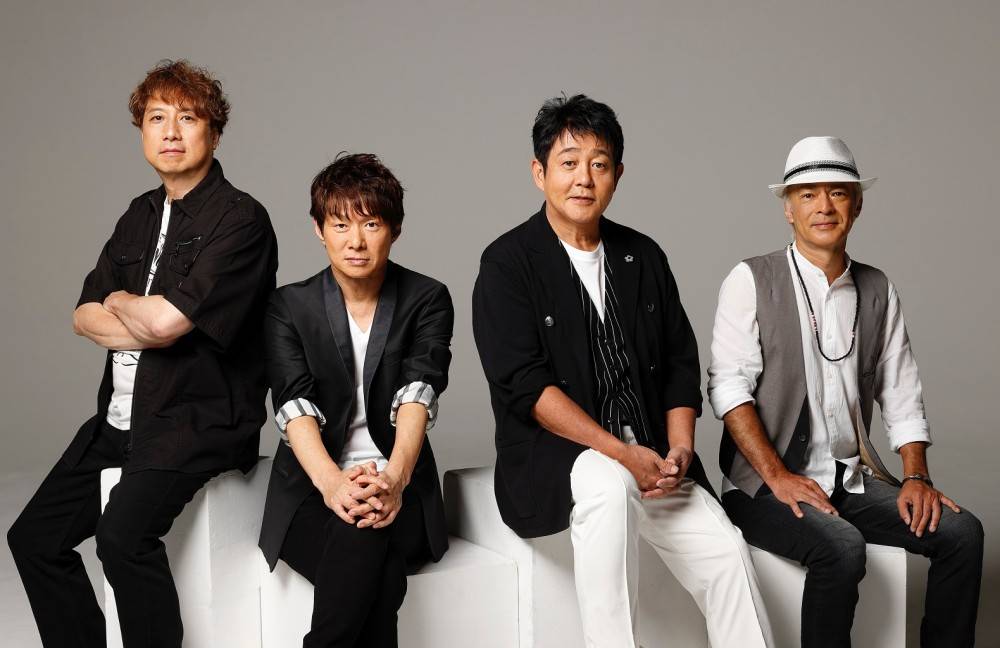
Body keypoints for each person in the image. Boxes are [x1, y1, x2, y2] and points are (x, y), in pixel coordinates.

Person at [472, 94, 773, 648]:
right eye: (568, 163)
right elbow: (526, 388)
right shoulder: (507, 263)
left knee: (727, 553)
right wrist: (619, 453)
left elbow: (679, 362)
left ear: (617, 175)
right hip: (558, 456)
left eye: (599, 164)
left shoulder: (644, 255)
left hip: (653, 454)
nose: (583, 178)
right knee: (609, 487)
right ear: (539, 173)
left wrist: (679, 449)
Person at [6, 59, 278, 647]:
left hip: (195, 422)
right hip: (120, 421)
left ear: (214, 132)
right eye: (157, 118)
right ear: (142, 131)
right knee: (33, 540)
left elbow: (168, 323)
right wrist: (144, 317)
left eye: (188, 118)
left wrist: (123, 301)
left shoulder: (241, 220)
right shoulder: (138, 214)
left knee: (122, 539)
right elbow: (83, 316)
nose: (171, 132)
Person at [708, 136, 984, 647]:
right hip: (762, 489)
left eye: (837, 193)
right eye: (808, 194)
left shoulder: (877, 288)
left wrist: (916, 476)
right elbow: (728, 388)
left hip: (848, 482)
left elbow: (901, 391)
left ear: (856, 206)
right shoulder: (751, 279)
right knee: (842, 549)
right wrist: (778, 476)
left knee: (962, 534)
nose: (824, 206)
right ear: (788, 209)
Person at [257, 153, 453, 648]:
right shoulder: (288, 306)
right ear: (319, 229)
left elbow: (418, 394)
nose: (356, 241)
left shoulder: (427, 299)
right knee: (376, 572)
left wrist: (392, 480)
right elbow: (293, 405)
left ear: (395, 228)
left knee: (365, 540)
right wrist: (333, 485)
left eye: (371, 224)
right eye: (341, 224)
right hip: (311, 490)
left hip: (401, 488)